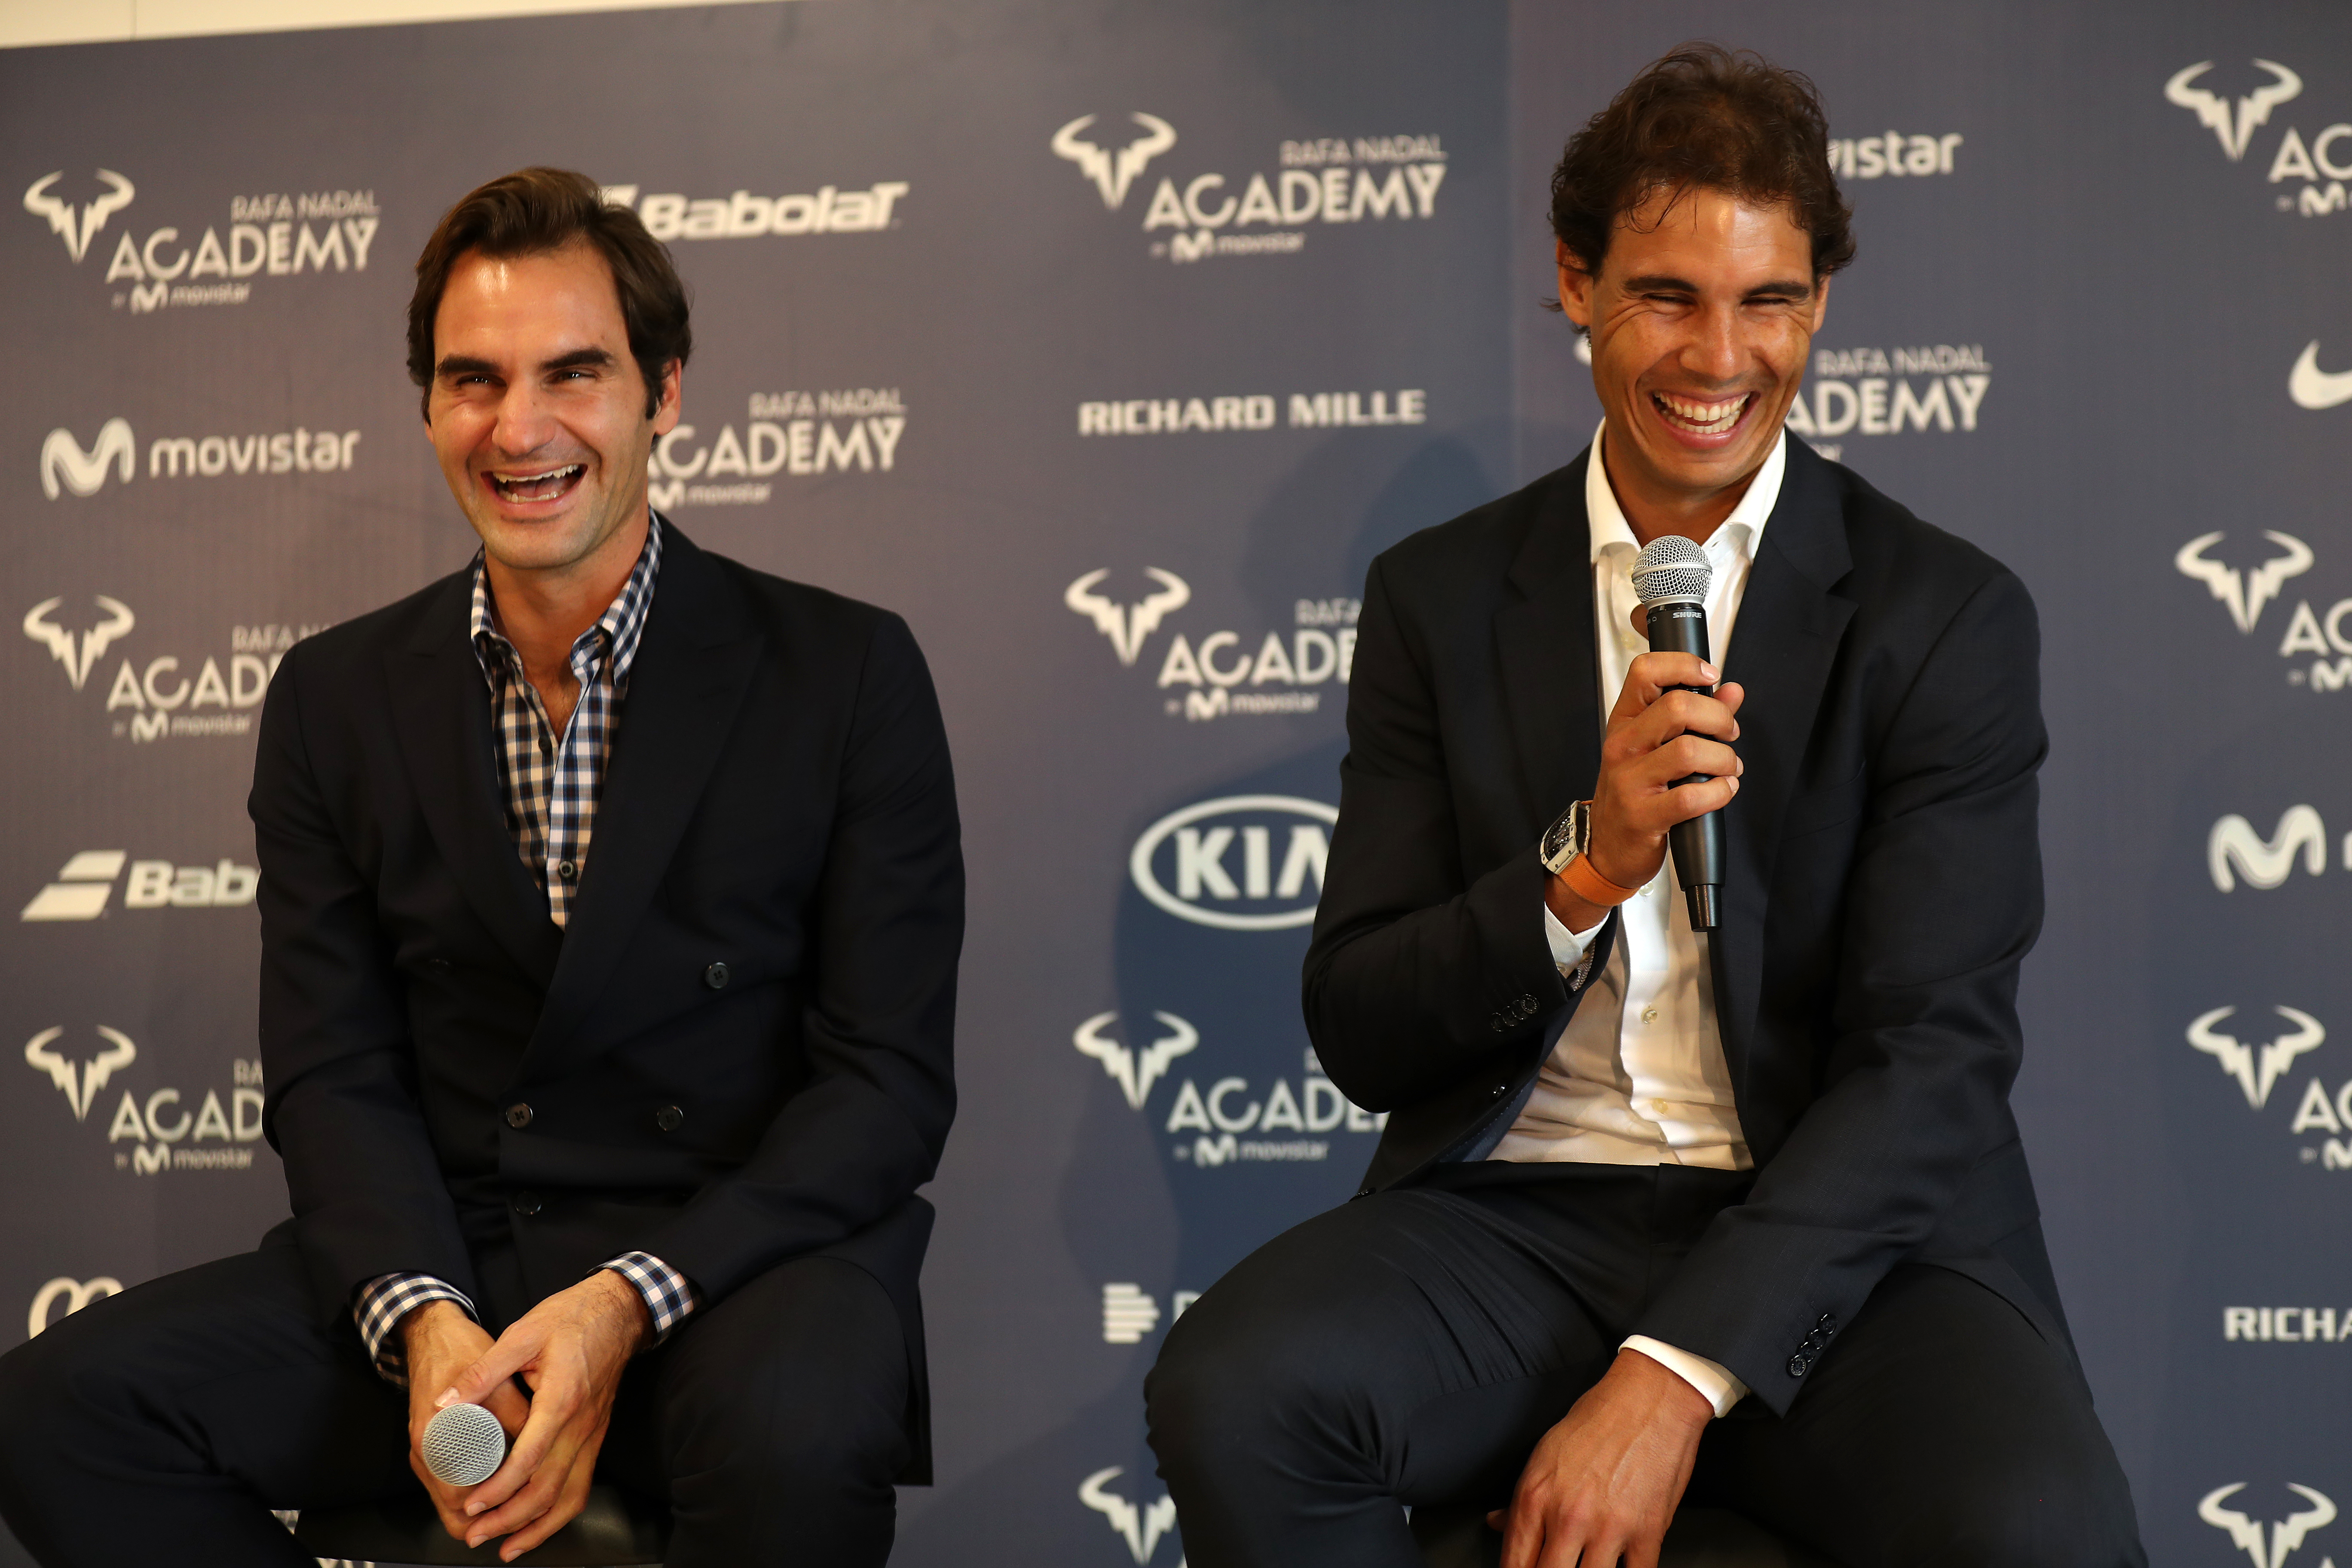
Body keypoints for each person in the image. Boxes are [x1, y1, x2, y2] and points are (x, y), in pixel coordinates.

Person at [1146, 46, 2143, 1568]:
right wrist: (1581, 871)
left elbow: (1932, 1063)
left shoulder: (1942, 614)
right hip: (1519, 1218)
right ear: (1576, 283)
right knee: (1234, 1393)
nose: (1719, 358)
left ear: (1818, 304)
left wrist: (1670, 1380)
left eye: (1771, 302)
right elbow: (1361, 1025)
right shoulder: (1442, 597)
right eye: (1669, 295)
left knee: (2039, 1524)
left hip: (1845, 1240)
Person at [0, 167, 962, 1568]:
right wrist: (426, 1318)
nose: (521, 430)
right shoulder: (335, 698)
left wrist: (626, 1301)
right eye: (473, 381)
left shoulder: (844, 669)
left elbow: (886, 1086)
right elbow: (333, 1073)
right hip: (463, 1257)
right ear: (429, 407)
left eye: (575, 373)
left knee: (798, 1432)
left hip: (743, 1264)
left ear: (664, 394)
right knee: (56, 1411)